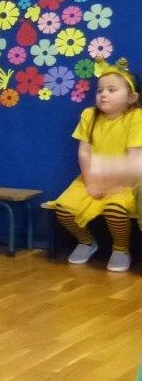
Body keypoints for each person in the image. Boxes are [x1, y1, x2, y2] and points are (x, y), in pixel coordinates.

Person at [51, 58, 142, 272]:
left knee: (115, 210)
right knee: (63, 210)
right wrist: (91, 182)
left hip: (125, 181)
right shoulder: (89, 116)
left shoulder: (136, 118)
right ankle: (87, 242)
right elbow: (84, 152)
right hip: (92, 177)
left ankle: (121, 249)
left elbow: (135, 159)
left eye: (112, 90)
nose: (103, 94)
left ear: (131, 97)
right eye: (100, 90)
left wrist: (113, 185)